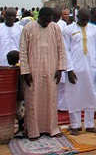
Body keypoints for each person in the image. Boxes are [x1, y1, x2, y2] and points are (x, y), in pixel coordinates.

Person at [20, 7, 67, 139]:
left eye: (49, 20)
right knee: (33, 100)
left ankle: (52, 129)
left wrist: (60, 68)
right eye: (45, 20)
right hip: (33, 71)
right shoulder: (28, 29)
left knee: (51, 99)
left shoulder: (55, 28)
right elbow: (23, 51)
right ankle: (33, 131)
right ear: (39, 17)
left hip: (51, 69)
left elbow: (61, 49)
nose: (47, 23)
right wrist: (25, 71)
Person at [62, 8, 96, 135]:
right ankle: (75, 125)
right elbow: (65, 51)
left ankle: (89, 124)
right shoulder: (68, 30)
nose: (85, 22)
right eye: (82, 19)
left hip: (91, 68)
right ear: (76, 17)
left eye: (87, 19)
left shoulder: (94, 30)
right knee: (73, 96)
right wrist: (69, 69)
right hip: (74, 70)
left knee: (90, 94)